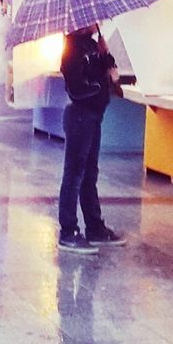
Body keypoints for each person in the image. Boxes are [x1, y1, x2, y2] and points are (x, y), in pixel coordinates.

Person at [57, 25, 126, 253]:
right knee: (75, 174)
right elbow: (76, 89)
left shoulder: (91, 44)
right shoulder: (71, 50)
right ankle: (68, 231)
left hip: (94, 115)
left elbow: (106, 70)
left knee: (89, 173)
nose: (94, 21)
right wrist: (100, 89)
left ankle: (94, 226)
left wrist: (105, 55)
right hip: (80, 116)